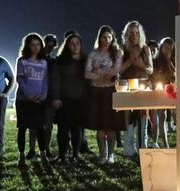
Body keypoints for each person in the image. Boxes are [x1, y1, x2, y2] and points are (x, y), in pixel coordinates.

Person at [85, 25, 124, 163]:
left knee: (111, 126)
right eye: (104, 37)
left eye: (109, 37)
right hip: (97, 91)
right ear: (99, 38)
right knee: (100, 126)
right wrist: (103, 73)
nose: (106, 40)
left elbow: (116, 70)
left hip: (111, 91)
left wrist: (98, 71)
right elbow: (87, 73)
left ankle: (111, 155)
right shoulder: (93, 54)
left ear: (112, 38)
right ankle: (102, 154)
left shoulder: (117, 53)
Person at [50, 33, 89, 162]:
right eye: (72, 43)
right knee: (63, 129)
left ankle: (75, 154)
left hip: (80, 100)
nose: (75, 46)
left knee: (77, 129)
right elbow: (55, 79)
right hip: (64, 99)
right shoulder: (60, 60)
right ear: (67, 45)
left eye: (77, 43)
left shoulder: (85, 60)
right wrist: (56, 97)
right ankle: (62, 155)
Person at [119, 20, 153, 156]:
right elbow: (118, 70)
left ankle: (142, 146)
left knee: (143, 117)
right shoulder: (122, 50)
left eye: (136, 33)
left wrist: (141, 65)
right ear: (127, 34)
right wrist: (129, 62)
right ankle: (128, 147)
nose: (134, 36)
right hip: (127, 86)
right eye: (131, 33)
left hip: (143, 85)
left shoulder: (145, 49)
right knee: (128, 117)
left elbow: (151, 69)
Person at [15, 33, 48, 167]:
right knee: (22, 128)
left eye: (38, 44)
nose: (36, 47)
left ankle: (43, 155)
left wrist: (43, 96)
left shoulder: (44, 62)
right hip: (24, 100)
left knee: (40, 128)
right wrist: (29, 96)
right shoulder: (22, 61)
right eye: (33, 44)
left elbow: (46, 81)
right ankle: (21, 156)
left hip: (39, 100)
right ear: (28, 46)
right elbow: (20, 80)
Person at [150, 37, 176, 148]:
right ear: (161, 47)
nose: (167, 51)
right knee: (157, 118)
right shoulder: (155, 60)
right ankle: (157, 142)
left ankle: (163, 143)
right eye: (165, 48)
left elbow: (173, 75)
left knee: (162, 117)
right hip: (157, 90)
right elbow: (153, 75)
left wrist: (169, 61)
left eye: (170, 49)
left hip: (168, 91)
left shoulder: (172, 61)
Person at [41, 33, 59, 159]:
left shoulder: (53, 61)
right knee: (36, 125)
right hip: (38, 94)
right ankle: (34, 149)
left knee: (48, 125)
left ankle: (45, 148)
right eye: (48, 44)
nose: (50, 47)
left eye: (52, 45)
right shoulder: (38, 58)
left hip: (48, 96)